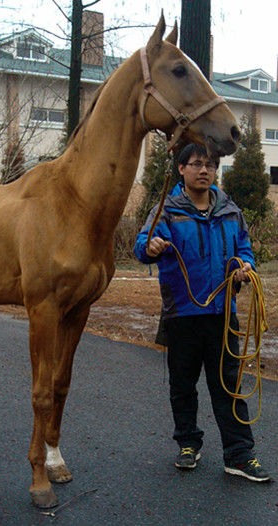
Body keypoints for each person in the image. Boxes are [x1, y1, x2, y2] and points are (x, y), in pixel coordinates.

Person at [134, 143, 271, 482]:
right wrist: (151, 246)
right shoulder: (167, 210)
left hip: (223, 314)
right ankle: (188, 444)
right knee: (183, 385)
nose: (204, 170)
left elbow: (244, 247)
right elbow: (142, 246)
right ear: (181, 169)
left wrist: (245, 265)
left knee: (228, 385)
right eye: (196, 164)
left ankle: (239, 454)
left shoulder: (229, 209)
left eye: (210, 165)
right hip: (182, 314)